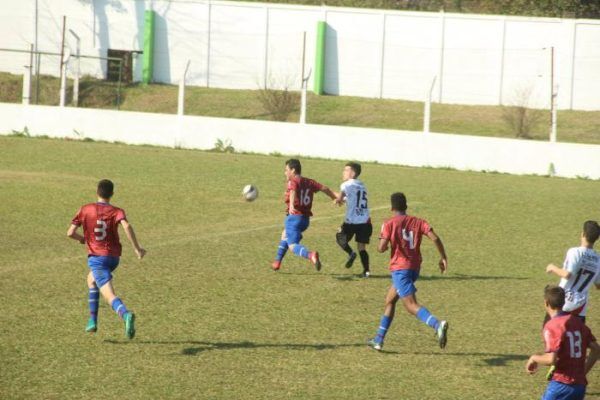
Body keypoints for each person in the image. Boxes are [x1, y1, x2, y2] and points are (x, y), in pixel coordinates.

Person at [368, 192, 449, 351]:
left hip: (400, 269)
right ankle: (378, 339)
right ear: (406, 206)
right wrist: (443, 257)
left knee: (411, 305)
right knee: (390, 301)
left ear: (392, 207)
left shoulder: (389, 223)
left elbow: (381, 248)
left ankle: (437, 324)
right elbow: (435, 238)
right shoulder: (418, 222)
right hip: (414, 268)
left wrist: (384, 241)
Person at [67, 179, 146, 339]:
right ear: (112, 194)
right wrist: (137, 249)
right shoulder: (117, 211)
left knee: (109, 295)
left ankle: (126, 315)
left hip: (97, 258)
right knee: (91, 279)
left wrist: (83, 239)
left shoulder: (85, 209)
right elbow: (127, 226)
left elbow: (70, 233)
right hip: (113, 258)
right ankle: (92, 321)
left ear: (97, 191)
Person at [526, 285, 600, 400]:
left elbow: (551, 359)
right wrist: (583, 372)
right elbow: (596, 349)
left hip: (561, 385)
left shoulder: (552, 325)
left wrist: (533, 358)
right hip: (579, 387)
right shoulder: (578, 322)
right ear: (564, 302)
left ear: (546, 303)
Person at [272, 159, 337, 271]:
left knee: (292, 246)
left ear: (293, 170)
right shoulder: (309, 182)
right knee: (285, 235)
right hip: (305, 220)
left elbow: (292, 191)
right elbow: (324, 188)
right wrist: (334, 197)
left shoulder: (293, 181)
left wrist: (291, 205)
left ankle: (310, 255)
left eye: (286, 170)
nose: (285, 173)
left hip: (294, 218)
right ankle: (277, 262)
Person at [546, 221, 600, 323]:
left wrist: (552, 267)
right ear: (597, 239)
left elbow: (567, 274)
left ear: (583, 234)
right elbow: (598, 285)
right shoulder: (598, 259)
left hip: (562, 302)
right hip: (580, 308)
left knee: (551, 334)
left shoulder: (575, 252)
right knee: (576, 337)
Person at [334, 162, 372, 277]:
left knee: (340, 237)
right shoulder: (362, 185)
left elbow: (339, 200)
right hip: (365, 221)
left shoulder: (346, 185)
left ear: (353, 173)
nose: (343, 172)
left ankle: (351, 254)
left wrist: (336, 200)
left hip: (351, 222)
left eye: (346, 170)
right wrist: (343, 199)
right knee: (362, 247)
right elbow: (351, 198)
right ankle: (366, 271)